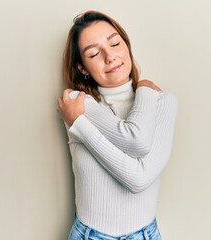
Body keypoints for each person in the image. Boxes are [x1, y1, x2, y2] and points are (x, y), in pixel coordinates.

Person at [57, 10, 178, 240]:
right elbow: (136, 143)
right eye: (94, 54)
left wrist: (79, 125)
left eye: (114, 43)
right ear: (82, 68)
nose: (110, 56)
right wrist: (79, 120)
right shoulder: (77, 103)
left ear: (127, 45)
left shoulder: (163, 102)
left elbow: (139, 177)